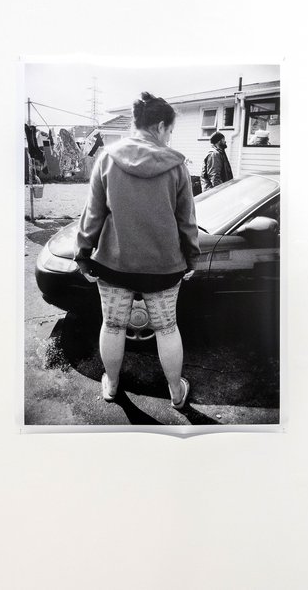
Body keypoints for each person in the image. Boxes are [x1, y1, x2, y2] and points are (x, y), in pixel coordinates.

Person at [76, 91, 200, 410]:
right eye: (170, 130)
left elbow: (93, 213)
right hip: (164, 266)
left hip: (114, 264)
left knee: (113, 325)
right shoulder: (177, 166)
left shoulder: (107, 157)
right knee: (167, 328)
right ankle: (175, 392)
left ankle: (113, 386)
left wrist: (83, 254)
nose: (169, 137)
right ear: (160, 126)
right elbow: (186, 220)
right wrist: (192, 257)